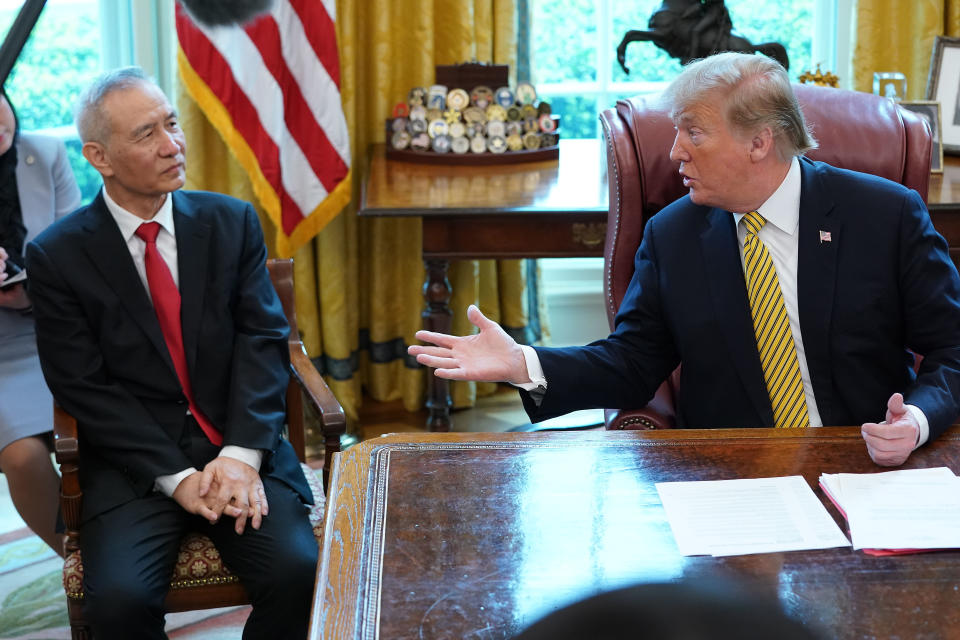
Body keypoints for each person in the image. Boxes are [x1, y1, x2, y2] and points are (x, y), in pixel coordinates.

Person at [409, 52, 960, 468]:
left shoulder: (883, 215)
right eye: (675, 131)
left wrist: (914, 419)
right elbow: (632, 364)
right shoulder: (673, 235)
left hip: (869, 465)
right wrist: (523, 365)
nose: (675, 151)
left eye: (693, 132)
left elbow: (952, 348)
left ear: (760, 142)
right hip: (730, 477)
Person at [25, 67, 317, 639]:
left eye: (172, 124)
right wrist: (178, 476)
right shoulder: (56, 257)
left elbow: (263, 343)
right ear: (99, 157)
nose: (172, 146)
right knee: (119, 604)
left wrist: (240, 455)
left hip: (238, 445)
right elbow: (82, 386)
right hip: (135, 464)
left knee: (299, 572)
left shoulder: (230, 222)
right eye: (145, 134)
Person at [0, 88, 81, 556]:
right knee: (22, 455)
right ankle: (78, 567)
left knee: (103, 431)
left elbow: (72, 253)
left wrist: (26, 296)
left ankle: (117, 549)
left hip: (56, 328)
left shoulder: (45, 153)